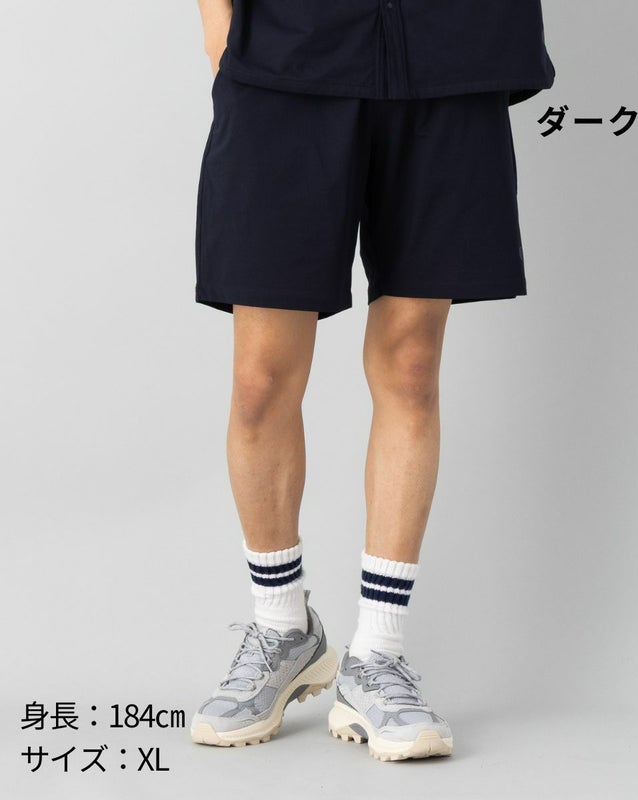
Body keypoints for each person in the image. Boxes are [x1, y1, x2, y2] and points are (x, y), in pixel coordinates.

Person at [189, 0, 555, 761]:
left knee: (412, 363)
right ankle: (282, 626)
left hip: (451, 44)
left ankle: (377, 656)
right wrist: (217, 21)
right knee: (260, 379)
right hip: (288, 42)